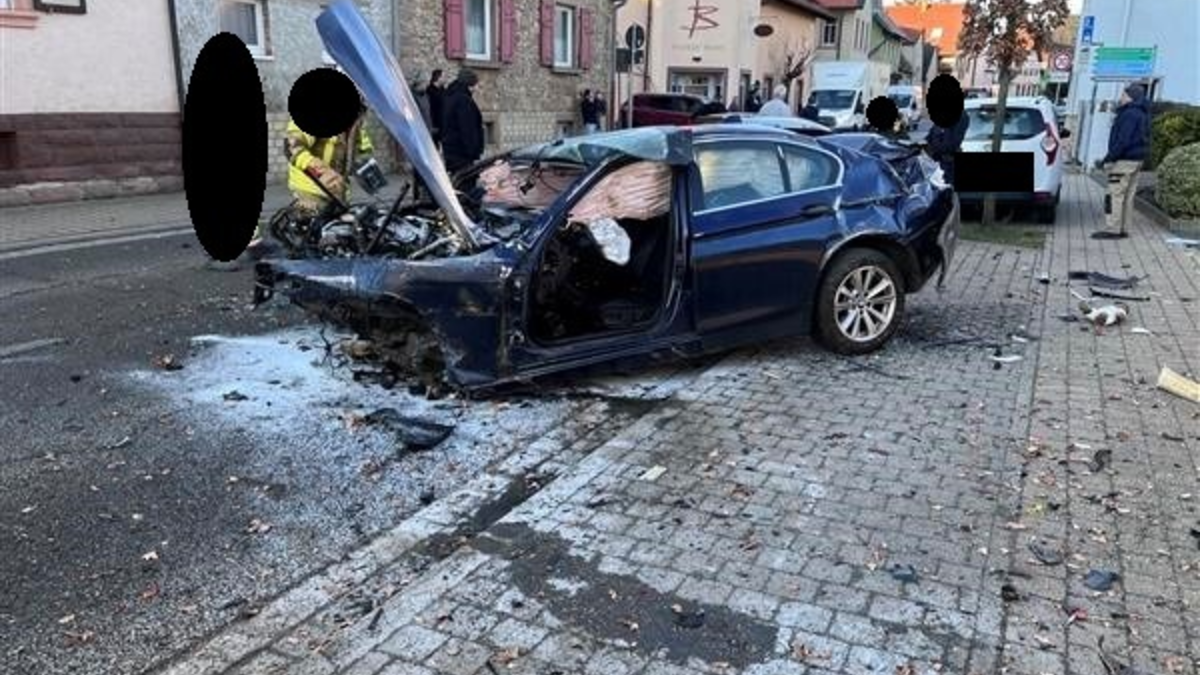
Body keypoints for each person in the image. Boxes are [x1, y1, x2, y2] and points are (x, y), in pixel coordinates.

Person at [245, 94, 374, 259]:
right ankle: (293, 235)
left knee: (338, 231)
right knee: (309, 232)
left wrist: (366, 162)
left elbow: (361, 143)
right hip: (310, 186)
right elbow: (292, 147)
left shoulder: (357, 115)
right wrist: (321, 172)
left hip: (337, 189)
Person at [1095, 83, 1151, 239]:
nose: (1121, 97)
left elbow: (1123, 140)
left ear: (1130, 97)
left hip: (1124, 161)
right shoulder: (1142, 113)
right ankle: (1124, 228)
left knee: (1114, 193)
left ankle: (1112, 229)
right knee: (1128, 195)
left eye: (1123, 95)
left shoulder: (1129, 114)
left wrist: (1108, 158)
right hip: (1137, 160)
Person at [923, 76, 969, 187]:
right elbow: (930, 136)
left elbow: (951, 143)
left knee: (947, 194)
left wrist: (935, 148)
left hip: (948, 164)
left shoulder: (960, 116)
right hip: (938, 163)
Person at [440, 68, 484, 174]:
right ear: (470, 84)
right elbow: (468, 129)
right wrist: (473, 151)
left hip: (451, 150)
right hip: (461, 153)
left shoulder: (450, 96)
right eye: (475, 85)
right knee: (466, 185)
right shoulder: (463, 101)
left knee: (457, 183)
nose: (476, 88)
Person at [409, 71, 434, 201]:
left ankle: (425, 193)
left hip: (427, 135)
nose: (427, 84)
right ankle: (418, 195)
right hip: (418, 136)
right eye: (425, 82)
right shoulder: (412, 97)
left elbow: (427, 115)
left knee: (427, 166)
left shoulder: (425, 96)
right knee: (419, 167)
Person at [426, 69, 446, 148]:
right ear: (438, 78)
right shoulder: (430, 91)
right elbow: (430, 109)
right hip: (435, 125)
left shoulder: (443, 90)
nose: (445, 79)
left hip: (444, 125)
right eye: (444, 76)